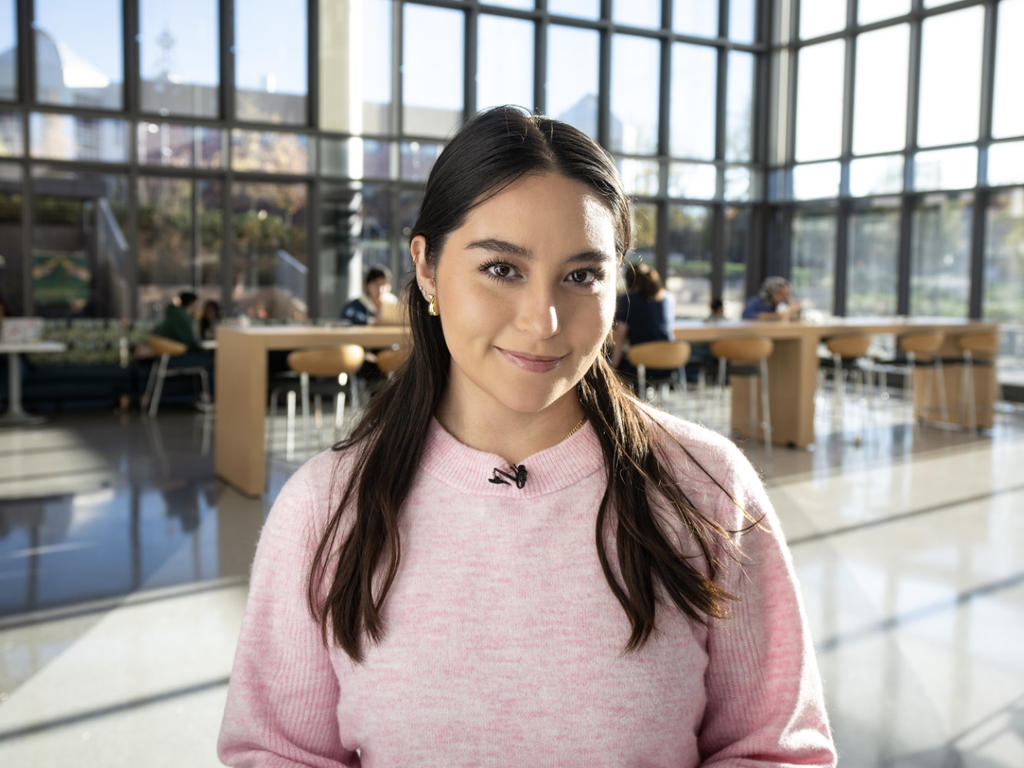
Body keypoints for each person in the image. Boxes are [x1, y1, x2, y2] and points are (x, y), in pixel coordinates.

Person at [218, 107, 836, 766]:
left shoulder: (709, 487)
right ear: (426, 268)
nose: (543, 322)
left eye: (581, 276)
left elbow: (773, 750)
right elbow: (278, 753)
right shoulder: (323, 508)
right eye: (502, 269)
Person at [610, 261, 675, 382]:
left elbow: (620, 335)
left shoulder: (628, 299)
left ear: (629, 281)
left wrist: (612, 368)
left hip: (643, 359)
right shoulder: (668, 298)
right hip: (670, 358)